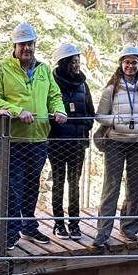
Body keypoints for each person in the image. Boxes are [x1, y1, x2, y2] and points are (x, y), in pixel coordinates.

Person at [0, 22, 67, 250]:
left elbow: (54, 95)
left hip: (39, 138)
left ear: (35, 44)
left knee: (32, 185)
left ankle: (29, 226)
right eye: (22, 45)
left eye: (30, 44)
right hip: (13, 139)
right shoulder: (1, 69)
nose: (26, 49)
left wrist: (59, 110)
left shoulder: (44, 70)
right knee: (13, 187)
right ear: (15, 46)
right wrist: (17, 112)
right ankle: (9, 233)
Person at [91, 45, 138, 247]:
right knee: (111, 188)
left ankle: (129, 228)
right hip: (115, 143)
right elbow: (100, 116)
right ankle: (103, 233)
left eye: (134, 62)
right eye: (127, 62)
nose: (130, 66)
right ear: (121, 64)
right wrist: (117, 121)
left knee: (135, 189)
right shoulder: (111, 89)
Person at [47, 42, 95, 239]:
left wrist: (83, 128)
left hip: (77, 143)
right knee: (59, 182)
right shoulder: (51, 84)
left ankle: (74, 223)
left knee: (74, 183)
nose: (77, 65)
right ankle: (59, 223)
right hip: (57, 142)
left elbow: (90, 112)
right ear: (65, 63)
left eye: (78, 61)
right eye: (74, 62)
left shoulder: (83, 85)